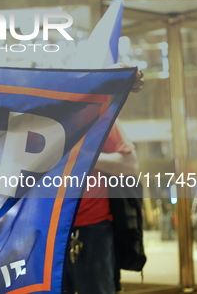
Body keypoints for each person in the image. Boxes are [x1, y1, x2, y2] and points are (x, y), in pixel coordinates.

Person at [64, 120, 139, 294]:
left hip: (92, 226)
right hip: (48, 226)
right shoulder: (37, 113)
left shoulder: (100, 115)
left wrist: (83, 156)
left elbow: (131, 164)